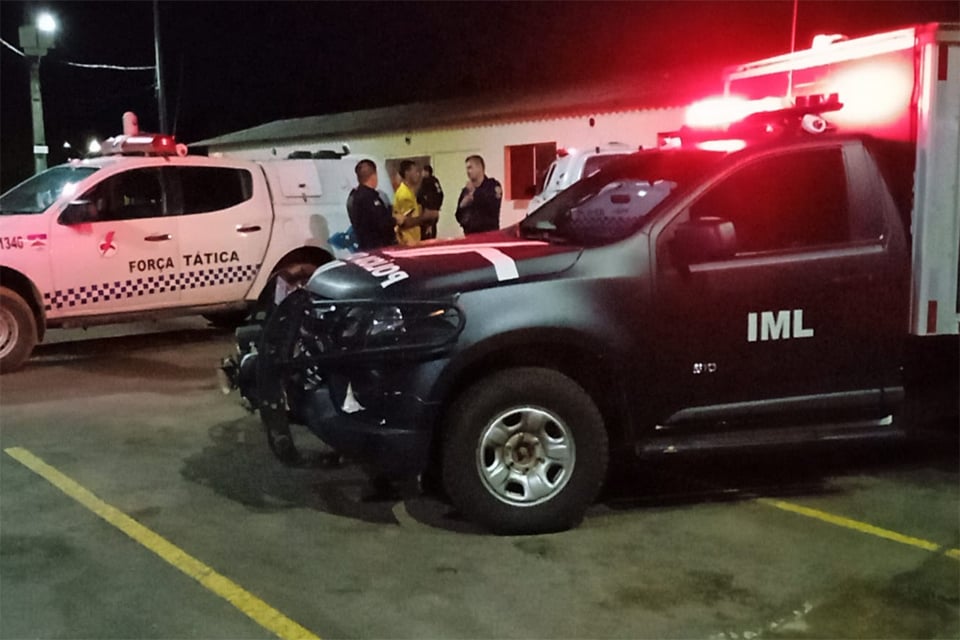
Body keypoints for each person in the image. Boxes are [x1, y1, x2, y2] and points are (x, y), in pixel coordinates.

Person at [347, 159, 396, 251]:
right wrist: (395, 220)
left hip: (365, 246)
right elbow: (381, 223)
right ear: (374, 175)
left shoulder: (354, 196)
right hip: (378, 247)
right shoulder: (369, 197)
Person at [455, 155, 502, 235]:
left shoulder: (492, 185)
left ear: (479, 168)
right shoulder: (466, 190)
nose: (468, 171)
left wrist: (474, 194)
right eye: (467, 168)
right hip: (470, 234)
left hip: (488, 234)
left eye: (470, 168)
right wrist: (463, 205)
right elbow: (458, 215)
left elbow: (491, 205)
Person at [393, 160, 423, 246]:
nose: (418, 174)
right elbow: (405, 222)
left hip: (413, 239)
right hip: (409, 241)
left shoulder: (410, 192)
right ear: (407, 173)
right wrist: (424, 219)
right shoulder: (405, 194)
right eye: (415, 171)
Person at [417, 164, 443, 240]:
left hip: (427, 211)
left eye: (423, 171)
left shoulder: (425, 181)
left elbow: (420, 195)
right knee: (433, 232)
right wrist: (437, 207)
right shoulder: (435, 181)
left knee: (425, 235)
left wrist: (422, 204)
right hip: (434, 211)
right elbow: (441, 194)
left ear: (427, 172)